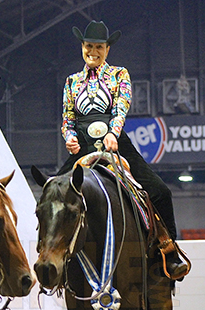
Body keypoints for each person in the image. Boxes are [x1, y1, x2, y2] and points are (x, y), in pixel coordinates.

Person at [57, 20, 187, 278]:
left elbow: (121, 107)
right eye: (88, 45)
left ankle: (168, 251)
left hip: (114, 140)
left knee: (160, 191)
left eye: (98, 47)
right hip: (82, 145)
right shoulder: (71, 82)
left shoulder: (119, 74)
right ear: (82, 46)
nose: (92, 51)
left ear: (107, 49)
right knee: (52, 191)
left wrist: (113, 134)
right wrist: (69, 137)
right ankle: (54, 258)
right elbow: (67, 118)